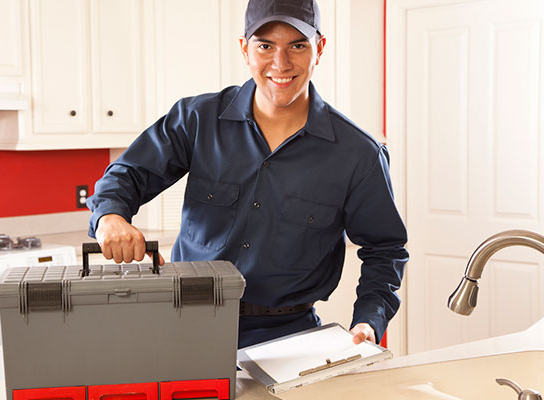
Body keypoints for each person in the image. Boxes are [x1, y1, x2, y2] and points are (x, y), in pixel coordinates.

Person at [87, 0, 408, 349]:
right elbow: (128, 173)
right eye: (265, 45)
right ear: (245, 48)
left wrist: (368, 320)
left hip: (291, 338)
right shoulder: (197, 119)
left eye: (297, 45)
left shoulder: (357, 153)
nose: (280, 64)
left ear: (319, 48)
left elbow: (384, 249)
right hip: (185, 323)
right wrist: (110, 218)